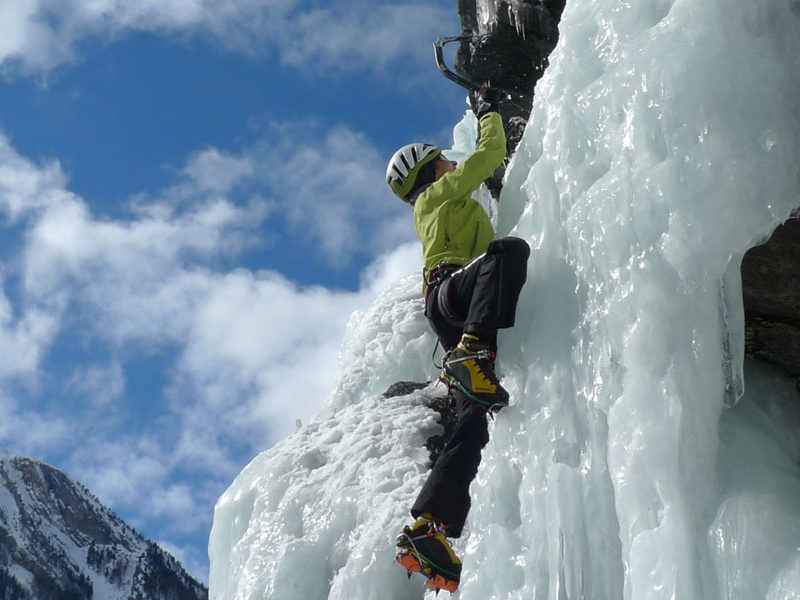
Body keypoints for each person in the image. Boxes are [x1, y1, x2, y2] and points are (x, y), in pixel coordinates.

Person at [385, 87, 530, 593]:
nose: (451, 163)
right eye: (444, 160)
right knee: (507, 252)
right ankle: (473, 351)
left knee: (474, 419)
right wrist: (490, 110)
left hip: (451, 307)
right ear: (430, 171)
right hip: (452, 296)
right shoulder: (435, 195)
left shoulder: (440, 204)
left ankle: (430, 528)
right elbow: (487, 156)